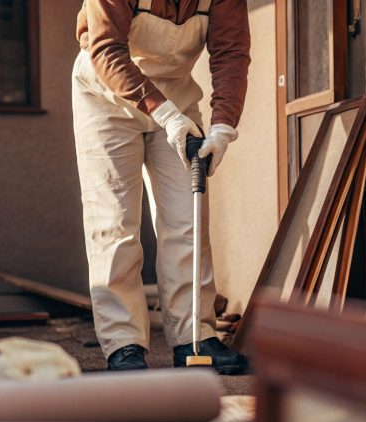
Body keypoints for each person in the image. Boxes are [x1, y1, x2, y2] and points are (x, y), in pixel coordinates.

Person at [72, 0, 250, 373]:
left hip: (177, 98)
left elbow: (231, 54)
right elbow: (105, 48)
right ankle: (124, 344)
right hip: (106, 100)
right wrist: (164, 113)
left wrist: (222, 126)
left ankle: (193, 338)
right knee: (115, 223)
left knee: (188, 219)